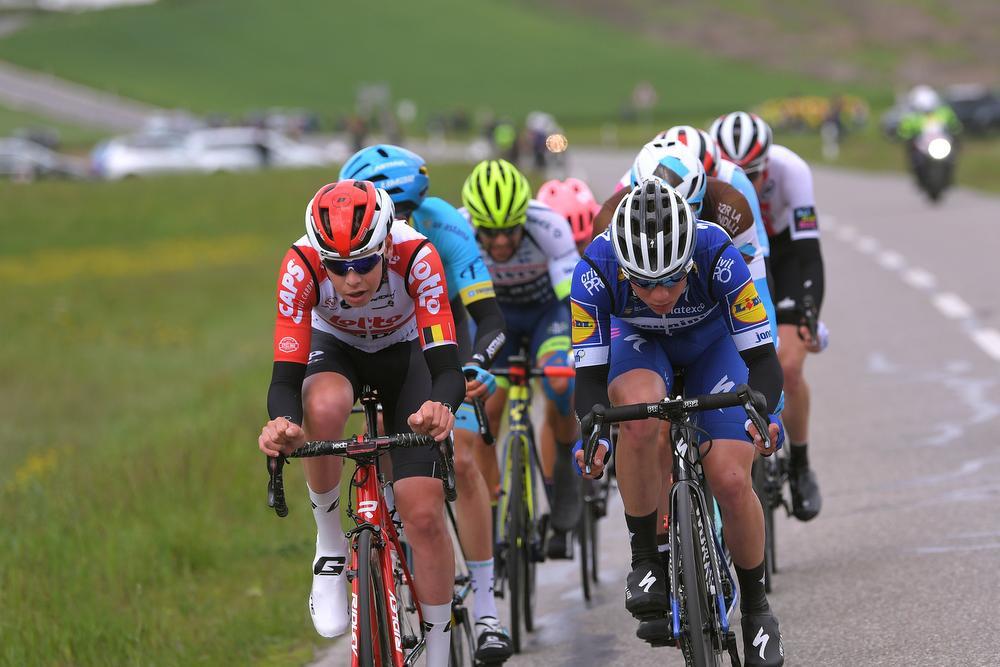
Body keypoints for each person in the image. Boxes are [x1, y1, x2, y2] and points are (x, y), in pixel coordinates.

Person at [572, 179, 785, 666]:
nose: (661, 293)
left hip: (714, 348)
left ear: (690, 258)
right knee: (639, 417)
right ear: (623, 268)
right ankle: (646, 556)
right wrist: (594, 431)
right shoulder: (595, 269)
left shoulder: (718, 252)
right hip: (641, 347)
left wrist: (765, 410)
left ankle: (756, 609)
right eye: (643, 283)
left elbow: (764, 362)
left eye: (672, 279)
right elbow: (588, 381)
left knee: (731, 478)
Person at [258, 180, 465, 667]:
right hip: (338, 352)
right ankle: (329, 546)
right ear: (320, 257)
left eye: (365, 264)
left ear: (386, 246)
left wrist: (439, 407)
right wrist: (283, 424)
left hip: (406, 355)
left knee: (422, 512)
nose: (352, 280)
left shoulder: (417, 255)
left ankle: (439, 653)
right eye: (338, 267)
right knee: (323, 408)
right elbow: (284, 380)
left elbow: (448, 370)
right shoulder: (300, 263)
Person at [339, 145, 514, 663]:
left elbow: (490, 318)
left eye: (408, 213)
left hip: (437, 342)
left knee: (458, 453)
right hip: (373, 349)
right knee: (386, 456)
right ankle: (389, 551)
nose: (400, 227)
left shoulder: (445, 227)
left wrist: (476, 362)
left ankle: (485, 609)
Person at [459, 159, 582, 559]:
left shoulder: (549, 226)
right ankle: (493, 518)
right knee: (486, 409)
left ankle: (564, 464)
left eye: (508, 232)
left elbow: (574, 302)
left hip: (548, 312)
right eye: (489, 234)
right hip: (498, 319)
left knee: (560, 380)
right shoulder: (458, 230)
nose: (499, 244)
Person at [710, 111, 824, 521]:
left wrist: (808, 310)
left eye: (755, 174)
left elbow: (809, 253)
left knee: (787, 368)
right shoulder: (711, 186)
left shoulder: (791, 170)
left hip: (784, 256)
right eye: (738, 173)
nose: (748, 185)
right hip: (734, 254)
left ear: (768, 164)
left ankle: (800, 464)